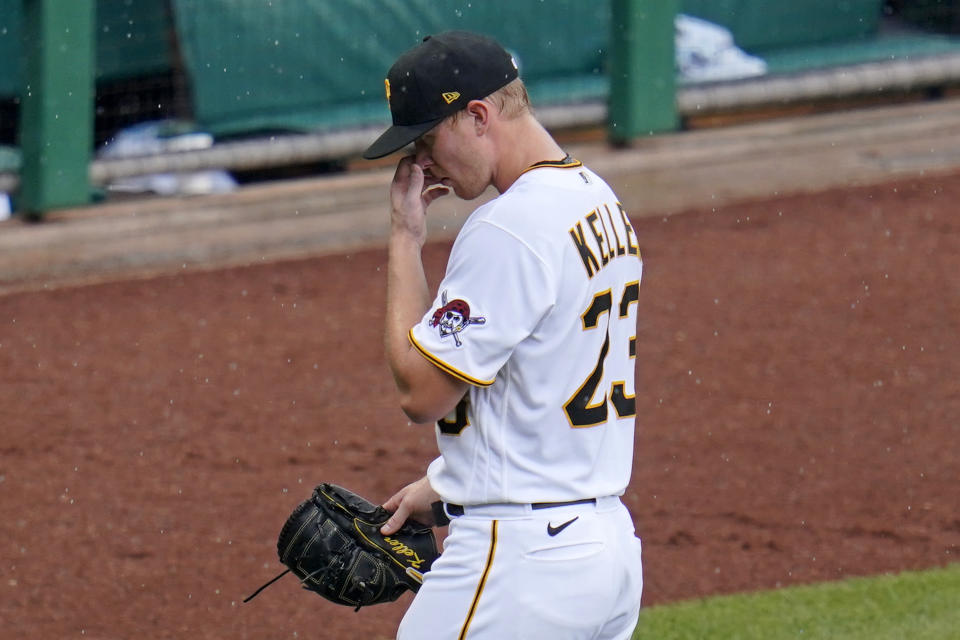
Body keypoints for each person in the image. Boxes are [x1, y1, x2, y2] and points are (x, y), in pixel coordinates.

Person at [363, 30, 644, 639]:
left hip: (521, 565)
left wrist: (404, 238)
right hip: (607, 553)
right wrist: (443, 484)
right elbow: (543, 380)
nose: (419, 163)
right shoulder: (598, 201)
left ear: (478, 116)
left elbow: (421, 393)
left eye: (426, 139)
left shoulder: (509, 226)